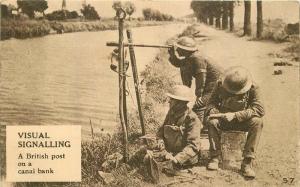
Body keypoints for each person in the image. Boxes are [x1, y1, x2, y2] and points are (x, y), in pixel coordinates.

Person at [205, 66, 264, 178]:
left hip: (243, 121)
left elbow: (259, 109)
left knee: (257, 122)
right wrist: (217, 113)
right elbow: (210, 104)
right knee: (212, 122)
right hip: (223, 119)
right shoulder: (220, 84)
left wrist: (236, 115)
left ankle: (247, 162)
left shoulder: (253, 88)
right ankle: (214, 157)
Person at [168, 36, 222, 124]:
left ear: (185, 50)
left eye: (179, 48)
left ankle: (198, 127)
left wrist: (199, 95)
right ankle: (203, 123)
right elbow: (180, 64)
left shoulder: (197, 58)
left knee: (199, 105)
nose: (177, 50)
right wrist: (172, 55)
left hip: (216, 85)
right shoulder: (189, 58)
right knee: (200, 104)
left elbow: (201, 78)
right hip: (210, 85)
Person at [155, 84, 202, 167]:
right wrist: (161, 145)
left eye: (172, 99)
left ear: (181, 103)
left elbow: (193, 146)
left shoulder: (192, 119)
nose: (169, 101)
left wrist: (176, 159)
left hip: (185, 160)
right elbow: (160, 133)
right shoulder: (171, 113)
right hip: (169, 154)